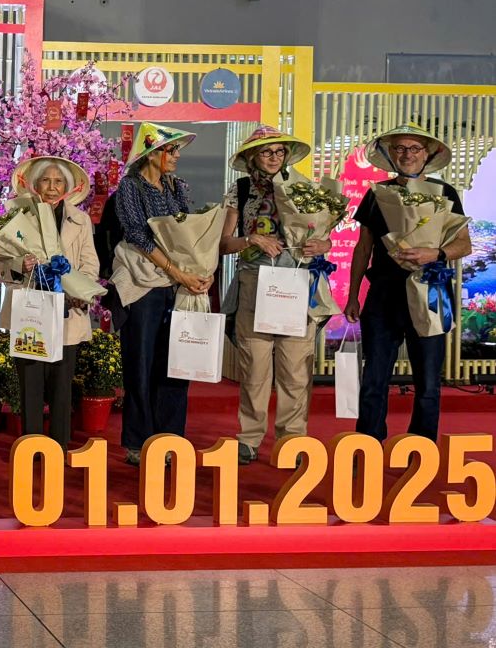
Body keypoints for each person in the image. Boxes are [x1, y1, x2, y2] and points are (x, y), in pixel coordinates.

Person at [345, 123, 471, 442]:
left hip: (431, 293)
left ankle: (421, 447)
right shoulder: (376, 194)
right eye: (400, 148)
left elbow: (464, 245)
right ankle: (368, 443)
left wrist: (435, 253)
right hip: (383, 296)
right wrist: (353, 296)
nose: (407, 154)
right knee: (374, 377)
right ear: (390, 153)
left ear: (428, 154)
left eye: (415, 148)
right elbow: (363, 248)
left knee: (428, 381)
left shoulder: (445, 194)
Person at [218, 126, 329, 465]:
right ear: (253, 156)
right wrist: (250, 240)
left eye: (279, 151)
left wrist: (321, 245)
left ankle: (292, 440)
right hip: (254, 283)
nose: (273, 157)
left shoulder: (304, 188)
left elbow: (324, 237)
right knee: (254, 369)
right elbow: (222, 244)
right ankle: (249, 439)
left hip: (296, 284)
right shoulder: (240, 190)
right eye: (266, 152)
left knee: (295, 370)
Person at [110, 122, 210, 466]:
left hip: (175, 285)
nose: (177, 156)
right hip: (142, 284)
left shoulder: (176, 187)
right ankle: (138, 442)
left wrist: (198, 270)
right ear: (152, 153)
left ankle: (170, 439)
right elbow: (138, 235)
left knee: (176, 364)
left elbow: (187, 232)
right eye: (172, 150)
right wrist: (176, 272)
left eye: (177, 150)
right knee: (140, 364)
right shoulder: (130, 187)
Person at [0, 156, 100, 448]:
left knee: (61, 389)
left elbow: (90, 263)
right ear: (35, 184)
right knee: (30, 386)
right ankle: (30, 447)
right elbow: (1, 266)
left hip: (67, 314)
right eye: (46, 180)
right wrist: (20, 264)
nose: (52, 187)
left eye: (58, 182)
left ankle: (58, 449)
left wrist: (80, 289)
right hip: (30, 314)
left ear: (67, 187)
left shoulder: (80, 220)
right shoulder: (17, 217)